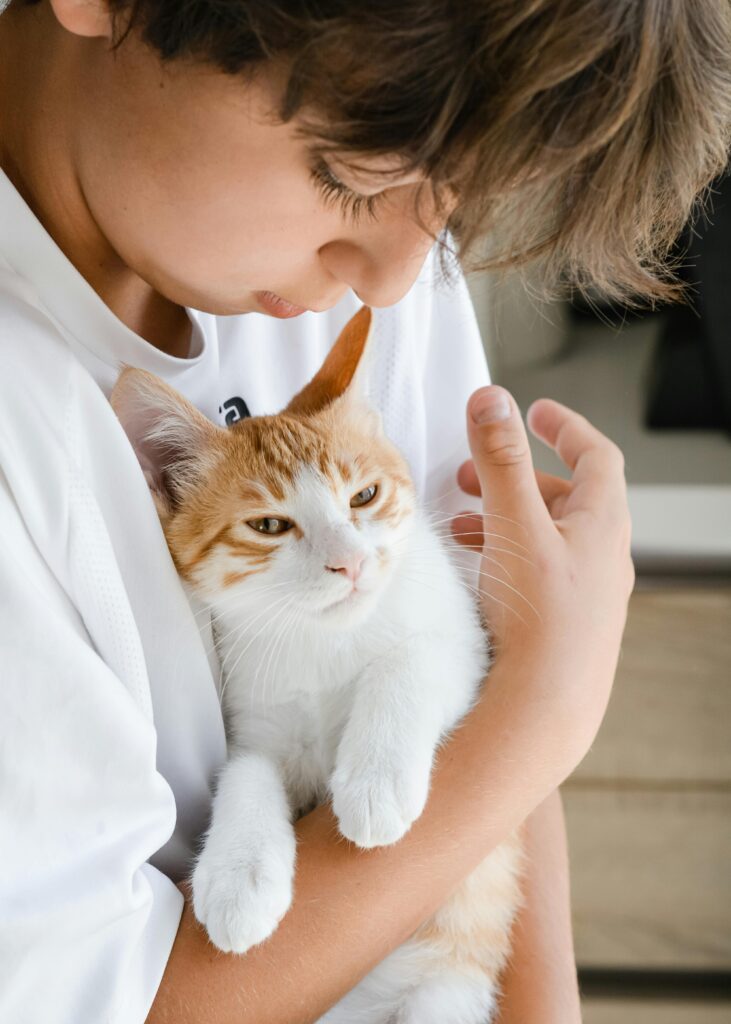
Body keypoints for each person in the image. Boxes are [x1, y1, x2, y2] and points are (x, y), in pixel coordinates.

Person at [0, 2, 728, 1023]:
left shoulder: (364, 264)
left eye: (452, 208)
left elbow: (479, 683)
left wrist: (524, 708)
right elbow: (97, 1000)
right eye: (345, 179)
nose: (394, 281)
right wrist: (546, 711)